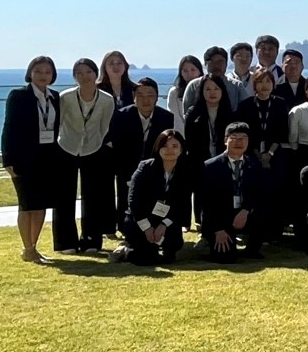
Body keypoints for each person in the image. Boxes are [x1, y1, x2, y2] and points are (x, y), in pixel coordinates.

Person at [1, 55, 63, 264]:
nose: (43, 75)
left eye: (47, 72)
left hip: (47, 158)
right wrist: (8, 160)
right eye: (38, 71)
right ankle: (27, 248)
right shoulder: (18, 96)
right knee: (26, 204)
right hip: (23, 159)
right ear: (30, 73)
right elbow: (9, 128)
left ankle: (33, 247)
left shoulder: (55, 97)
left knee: (41, 204)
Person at [56, 57, 116, 253]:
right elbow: (58, 123)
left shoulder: (106, 99)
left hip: (93, 149)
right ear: (74, 76)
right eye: (79, 73)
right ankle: (66, 242)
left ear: (96, 74)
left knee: (93, 197)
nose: (85, 76)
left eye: (88, 72)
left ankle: (91, 240)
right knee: (64, 196)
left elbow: (105, 126)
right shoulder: (65, 97)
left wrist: (95, 141)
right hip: (66, 147)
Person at [105, 76, 174, 234]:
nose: (145, 100)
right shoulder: (122, 115)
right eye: (140, 95)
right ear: (133, 97)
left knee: (153, 197)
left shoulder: (166, 117)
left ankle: (153, 228)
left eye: (150, 95)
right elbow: (115, 144)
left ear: (157, 97)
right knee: (126, 198)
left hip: (155, 165)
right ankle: (125, 230)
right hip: (126, 165)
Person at [117, 129, 190, 266]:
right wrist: (147, 228)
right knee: (144, 258)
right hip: (142, 220)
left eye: (175, 146)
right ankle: (126, 248)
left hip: (165, 220)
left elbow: (181, 203)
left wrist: (163, 225)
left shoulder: (185, 171)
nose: (170, 150)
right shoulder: (145, 168)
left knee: (171, 251)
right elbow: (133, 201)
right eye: (165, 146)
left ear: (181, 149)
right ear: (158, 148)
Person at [235, 68, 289, 242]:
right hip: (251, 154)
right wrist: (259, 155)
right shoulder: (246, 105)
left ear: (273, 84)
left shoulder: (280, 103)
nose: (264, 85)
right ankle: (250, 230)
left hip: (275, 154)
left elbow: (283, 131)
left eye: (268, 81)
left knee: (275, 192)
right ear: (254, 85)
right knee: (253, 191)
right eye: (260, 81)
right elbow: (244, 132)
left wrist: (270, 154)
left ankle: (274, 231)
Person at [199, 122, 266, 261]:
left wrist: (246, 210)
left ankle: (252, 248)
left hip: (243, 212)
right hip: (220, 218)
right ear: (225, 140)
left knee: (263, 210)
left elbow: (258, 193)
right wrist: (218, 229)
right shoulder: (210, 166)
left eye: (243, 138)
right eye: (234, 138)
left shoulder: (254, 164)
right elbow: (207, 202)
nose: (239, 142)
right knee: (226, 258)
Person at [183, 46, 246, 115]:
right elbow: (186, 114)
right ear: (205, 64)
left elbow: (246, 112)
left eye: (220, 61)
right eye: (212, 62)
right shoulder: (194, 86)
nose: (216, 65)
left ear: (226, 64)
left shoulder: (237, 86)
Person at [167, 55, 203, 132]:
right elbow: (175, 118)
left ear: (199, 71)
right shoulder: (174, 92)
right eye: (185, 71)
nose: (189, 74)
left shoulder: (207, 90)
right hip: (181, 135)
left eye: (193, 70)